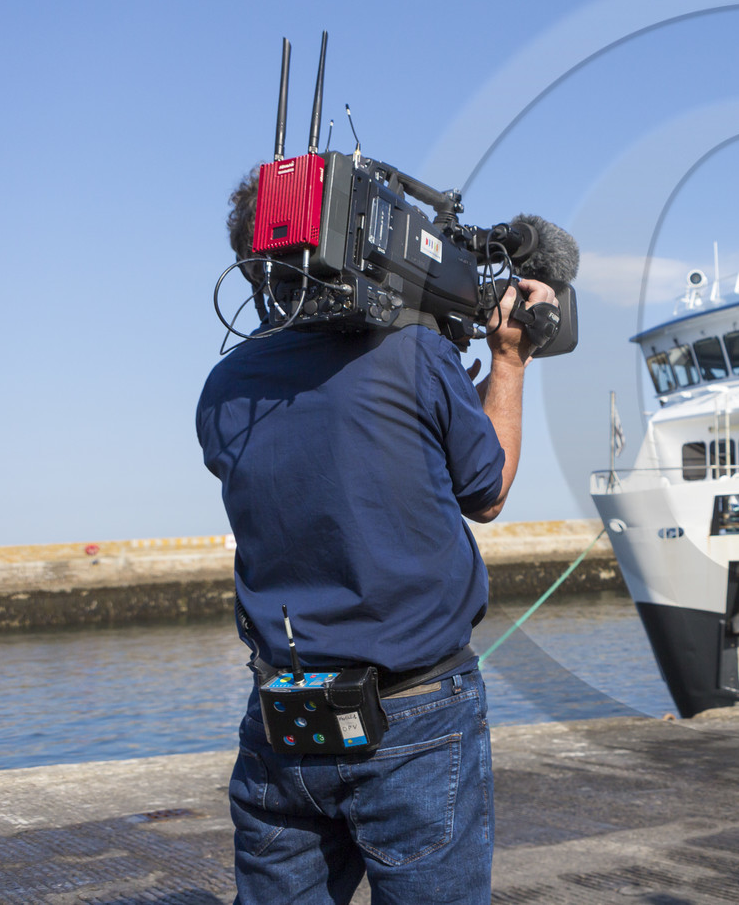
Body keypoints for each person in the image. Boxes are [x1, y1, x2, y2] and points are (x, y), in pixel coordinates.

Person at [197, 173, 556, 903]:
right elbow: (485, 493)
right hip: (415, 710)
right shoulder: (414, 353)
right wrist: (511, 359)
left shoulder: (223, 387)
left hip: (284, 713)